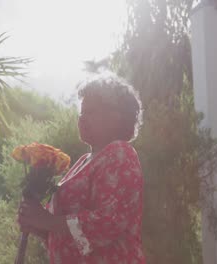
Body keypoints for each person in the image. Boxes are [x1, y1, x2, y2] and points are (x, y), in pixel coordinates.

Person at [18, 73, 145, 263]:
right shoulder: (84, 161)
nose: (82, 119)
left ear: (117, 117)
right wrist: (37, 223)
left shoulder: (120, 154)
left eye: (91, 112)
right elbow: (73, 238)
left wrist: (47, 221)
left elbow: (109, 222)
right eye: (81, 112)